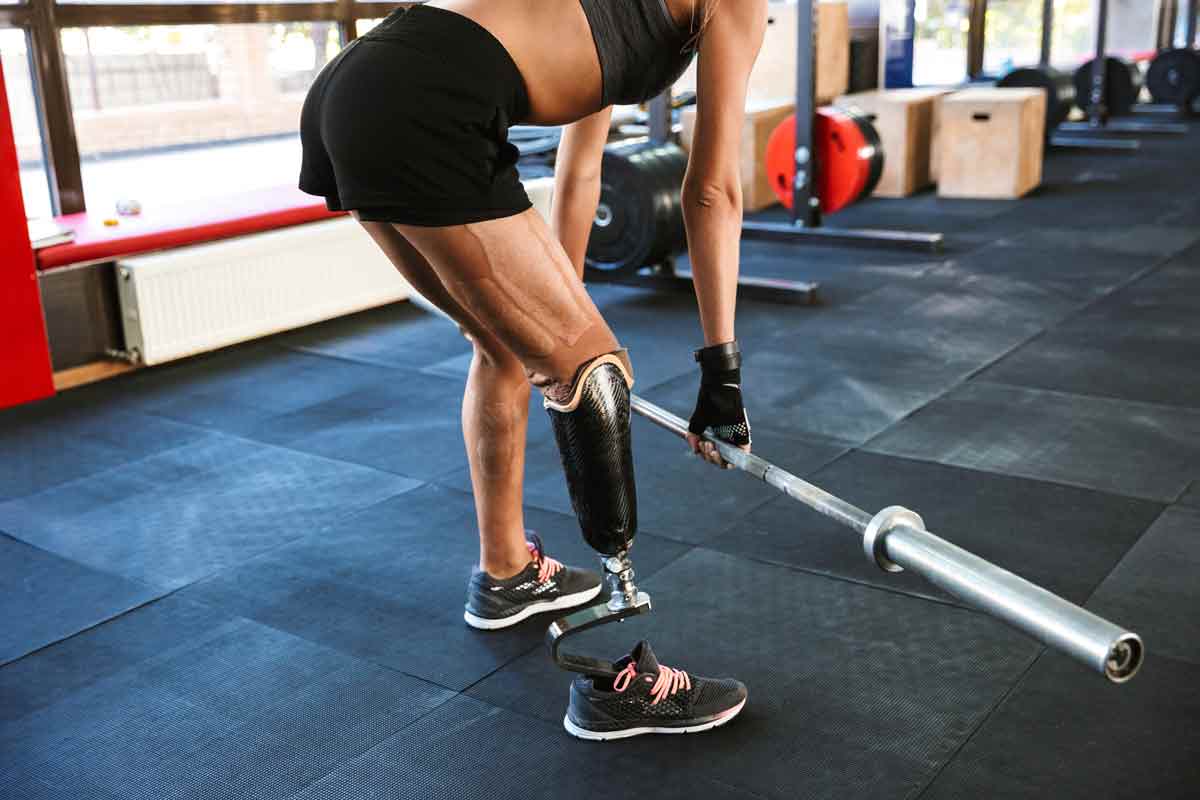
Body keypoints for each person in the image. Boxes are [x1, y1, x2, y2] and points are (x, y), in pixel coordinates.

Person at [299, 0, 764, 740]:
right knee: (595, 378)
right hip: (424, 105)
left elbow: (581, 176)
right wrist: (722, 374)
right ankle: (618, 666)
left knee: (511, 350)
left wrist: (561, 320)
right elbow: (712, 188)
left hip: (358, 86)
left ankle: (506, 573)